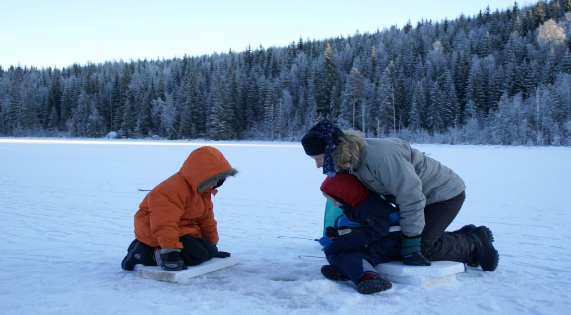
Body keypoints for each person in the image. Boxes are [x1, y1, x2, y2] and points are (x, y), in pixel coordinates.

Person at [302, 119, 499, 271]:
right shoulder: (349, 161)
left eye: (319, 159)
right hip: (419, 198)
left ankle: (473, 244)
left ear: (332, 151)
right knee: (402, 241)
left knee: (419, 249)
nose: (319, 165)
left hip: (443, 195)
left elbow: (411, 197)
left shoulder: (381, 157)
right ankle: (464, 235)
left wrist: (412, 240)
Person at [121, 146, 237, 271]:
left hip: (180, 229)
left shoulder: (203, 191)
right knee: (196, 256)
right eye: (212, 180)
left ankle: (159, 250)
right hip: (153, 230)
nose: (215, 184)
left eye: (218, 180)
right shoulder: (171, 189)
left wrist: (212, 245)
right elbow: (164, 223)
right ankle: (143, 253)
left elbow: (207, 220)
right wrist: (170, 253)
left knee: (207, 252)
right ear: (201, 175)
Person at [318, 172, 400, 294]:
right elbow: (351, 225)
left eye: (334, 200)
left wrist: (342, 242)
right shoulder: (353, 205)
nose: (334, 204)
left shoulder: (371, 206)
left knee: (350, 256)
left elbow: (375, 231)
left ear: (345, 196)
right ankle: (344, 269)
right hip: (372, 240)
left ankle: (369, 278)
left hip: (387, 242)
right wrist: (333, 235)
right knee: (331, 248)